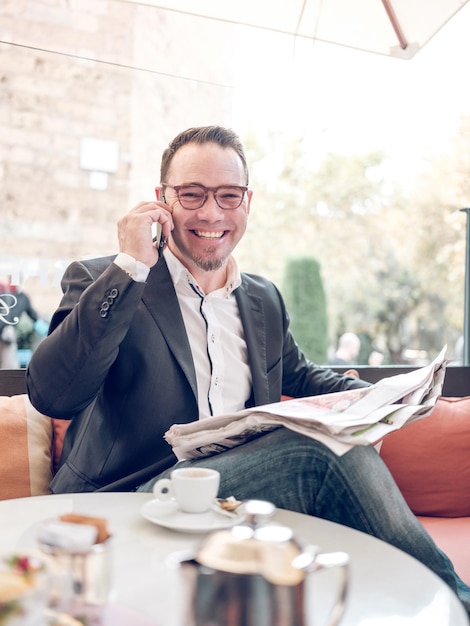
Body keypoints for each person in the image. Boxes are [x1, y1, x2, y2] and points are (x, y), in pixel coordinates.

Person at [26, 125, 470, 615]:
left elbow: (303, 376)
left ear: (247, 202)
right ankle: (459, 603)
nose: (211, 212)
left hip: (229, 497)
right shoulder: (106, 278)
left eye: (228, 196)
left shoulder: (261, 298)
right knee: (325, 457)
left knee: (339, 458)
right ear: (161, 201)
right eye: (191, 194)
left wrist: (387, 397)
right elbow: (54, 395)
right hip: (131, 494)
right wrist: (131, 264)